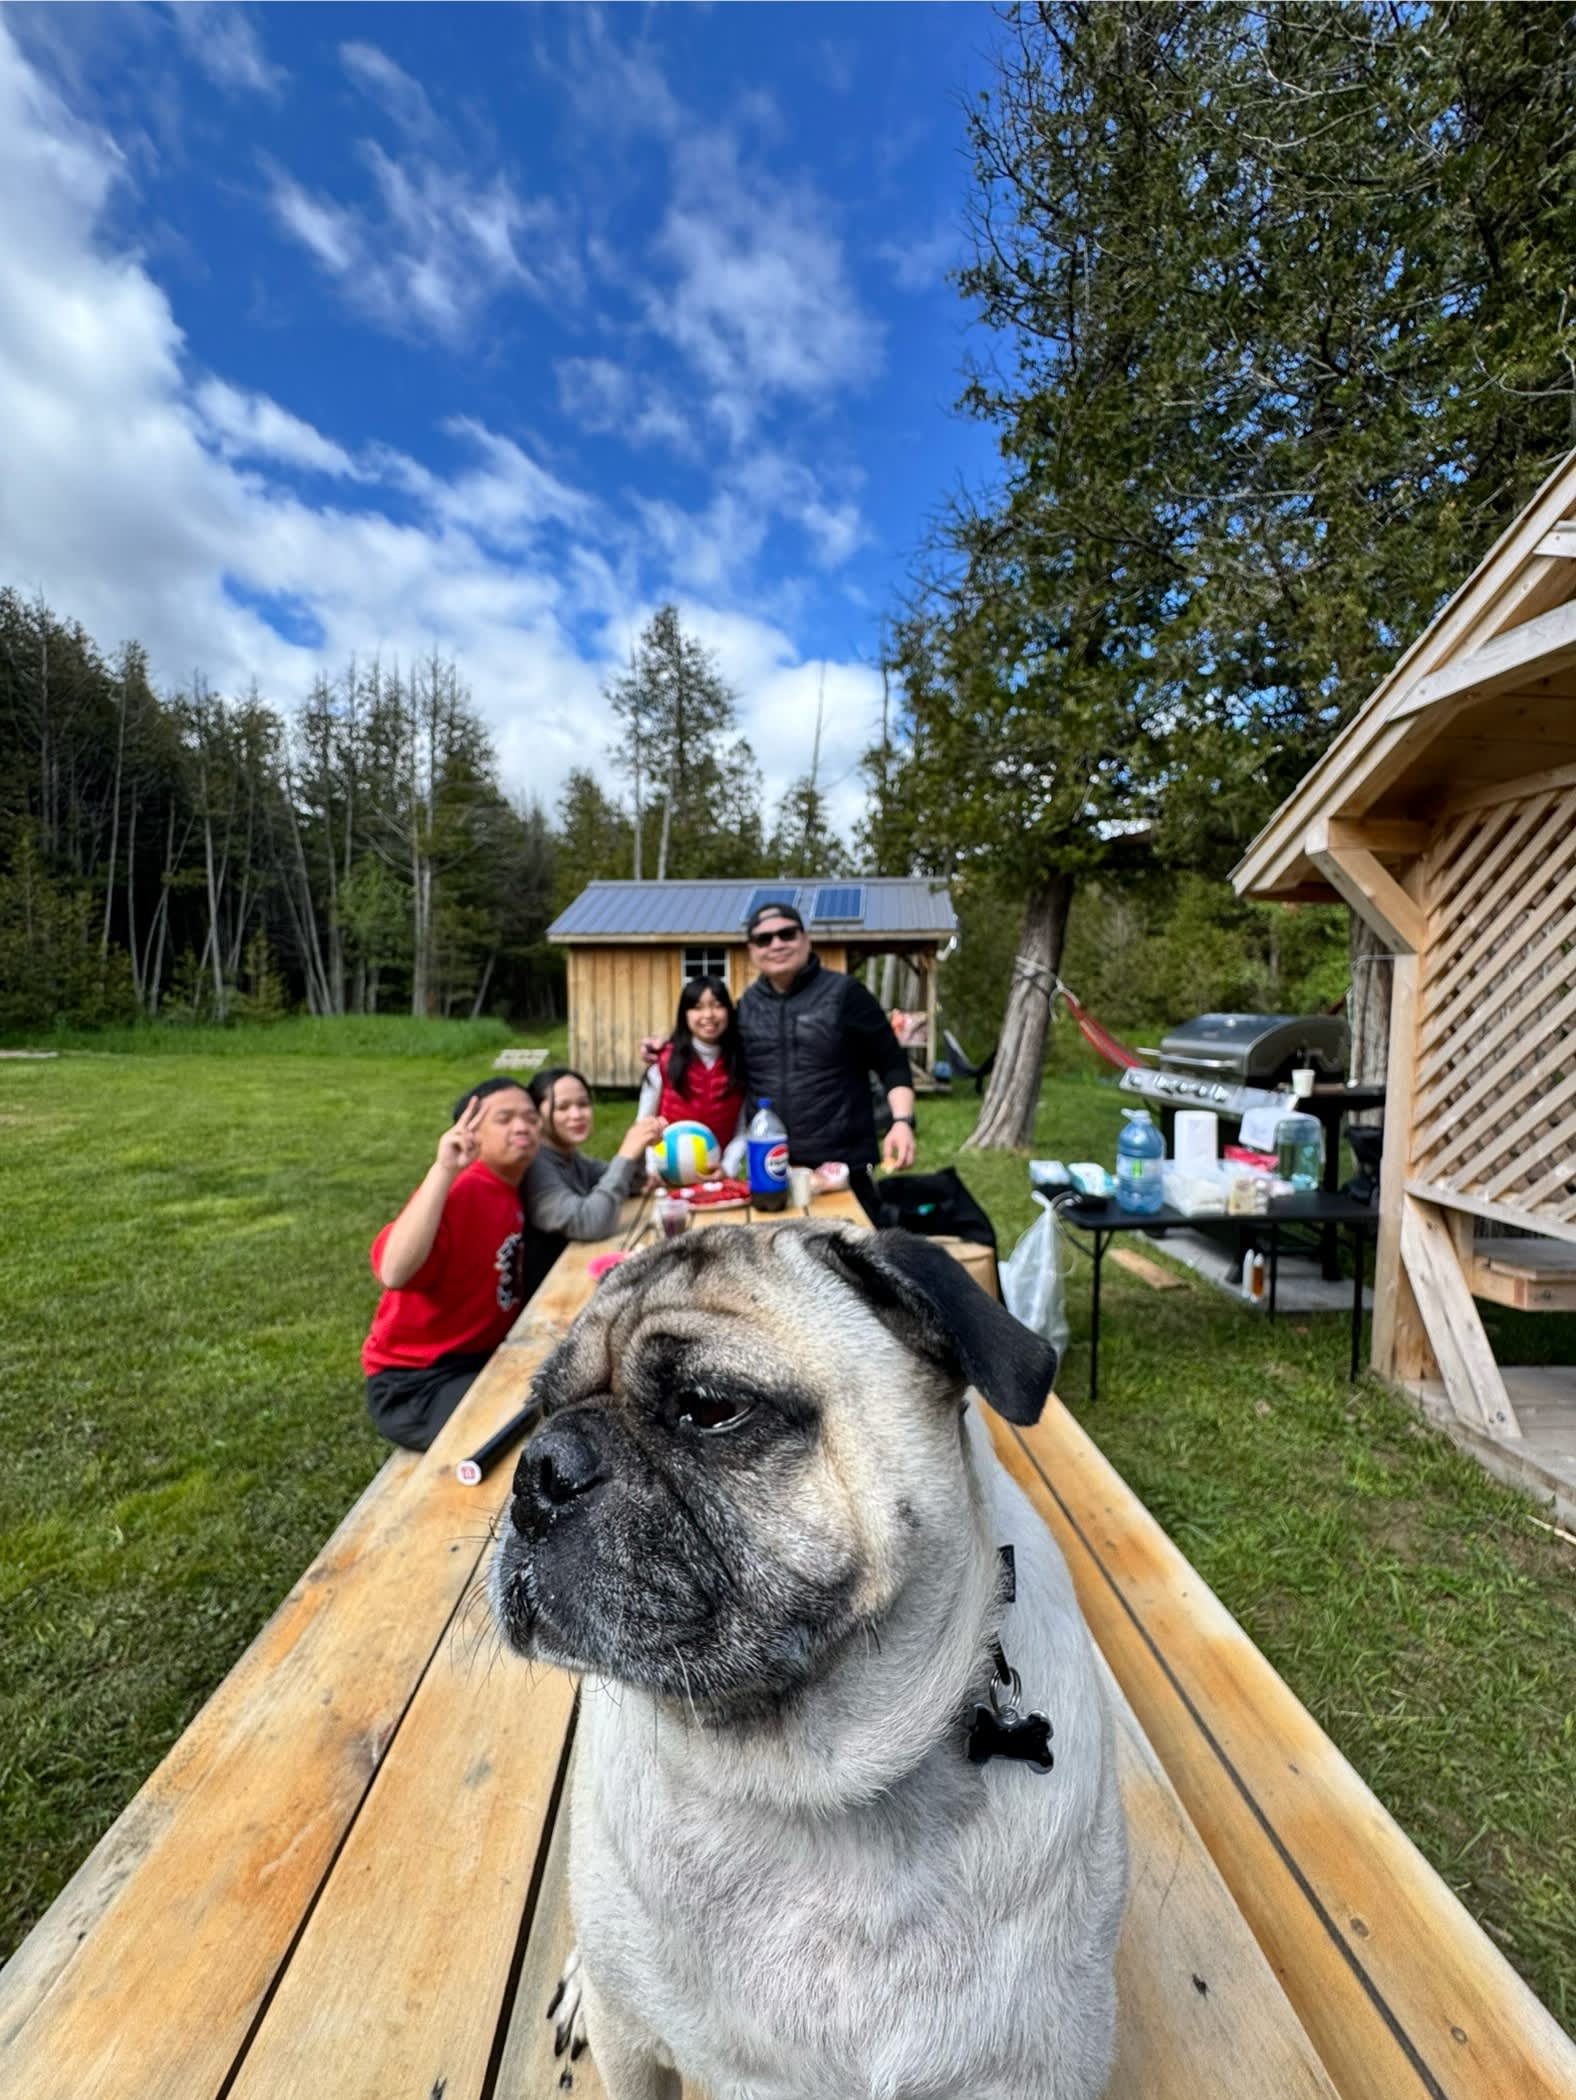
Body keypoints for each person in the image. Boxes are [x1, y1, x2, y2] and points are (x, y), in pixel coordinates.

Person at [640, 902, 916, 1219]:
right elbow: (711, 1040)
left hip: (841, 1169)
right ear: (751, 950)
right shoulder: (746, 1007)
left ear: (805, 939)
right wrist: (663, 1045)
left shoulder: (846, 994)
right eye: (764, 939)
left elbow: (892, 1062)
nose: (776, 944)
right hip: (769, 1168)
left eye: (787, 934)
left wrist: (901, 1122)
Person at [360, 1076, 543, 1453]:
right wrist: (444, 1169)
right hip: (415, 1382)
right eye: (504, 1118)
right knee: (529, 1432)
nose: (522, 1126)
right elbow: (394, 1271)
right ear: (472, 1131)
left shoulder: (512, 1184)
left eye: (530, 1117)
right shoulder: (460, 1189)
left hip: (482, 1358)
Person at [524, 1066, 664, 1263]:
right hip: (552, 1285)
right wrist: (626, 1154)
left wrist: (640, 1147)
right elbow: (591, 1223)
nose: (577, 1114)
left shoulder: (570, 1156)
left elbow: (632, 1184)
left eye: (583, 1104)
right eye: (562, 1107)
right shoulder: (536, 1166)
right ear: (536, 1116)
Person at [637, 974, 750, 1176]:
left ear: (729, 1012)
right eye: (697, 1007)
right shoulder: (663, 1062)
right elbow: (644, 1122)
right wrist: (653, 1169)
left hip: (715, 1178)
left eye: (717, 1005)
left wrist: (727, 1167)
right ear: (685, 1014)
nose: (708, 1015)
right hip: (664, 1178)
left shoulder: (740, 1064)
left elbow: (742, 1129)